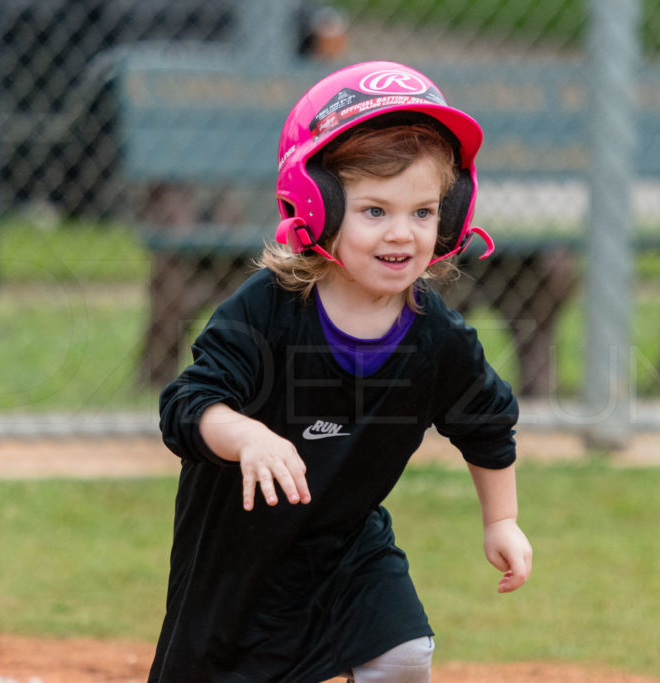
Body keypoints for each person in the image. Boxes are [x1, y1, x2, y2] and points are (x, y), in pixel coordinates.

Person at [149, 61, 533, 683]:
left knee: (404, 655)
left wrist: (502, 520)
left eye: (424, 212)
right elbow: (189, 404)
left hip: (348, 547)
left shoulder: (436, 335)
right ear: (316, 205)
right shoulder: (269, 307)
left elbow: (488, 422)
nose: (403, 235)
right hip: (235, 560)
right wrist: (247, 435)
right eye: (374, 211)